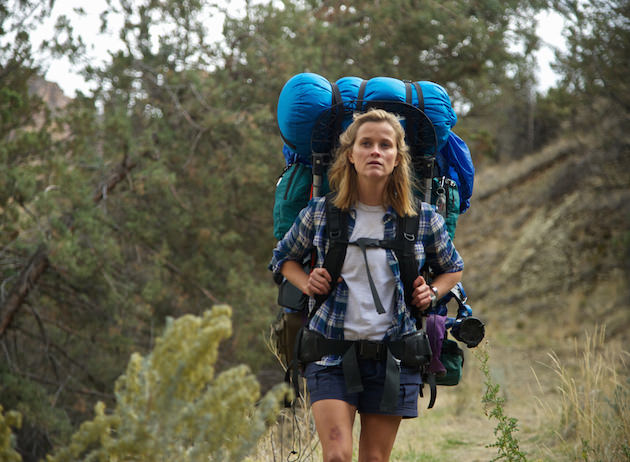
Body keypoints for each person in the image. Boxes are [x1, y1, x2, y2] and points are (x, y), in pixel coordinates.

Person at [270, 109, 464, 462]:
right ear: (351, 154)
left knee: (374, 459)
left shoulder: (423, 219)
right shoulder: (320, 213)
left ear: (396, 158)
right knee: (337, 457)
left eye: (385, 145)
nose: (376, 150)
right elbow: (283, 258)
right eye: (366, 143)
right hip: (330, 354)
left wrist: (432, 292)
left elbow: (453, 269)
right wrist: (307, 282)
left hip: (395, 358)